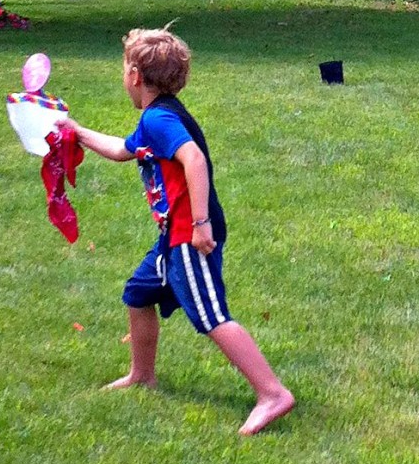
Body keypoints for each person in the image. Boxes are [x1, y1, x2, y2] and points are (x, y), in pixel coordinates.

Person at [59, 27, 295, 436]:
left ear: (134, 76)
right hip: (173, 235)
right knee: (138, 294)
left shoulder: (161, 119)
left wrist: (200, 224)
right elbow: (121, 149)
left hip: (189, 234)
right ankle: (142, 375)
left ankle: (272, 393)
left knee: (210, 316)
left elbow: (194, 161)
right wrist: (74, 130)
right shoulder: (157, 117)